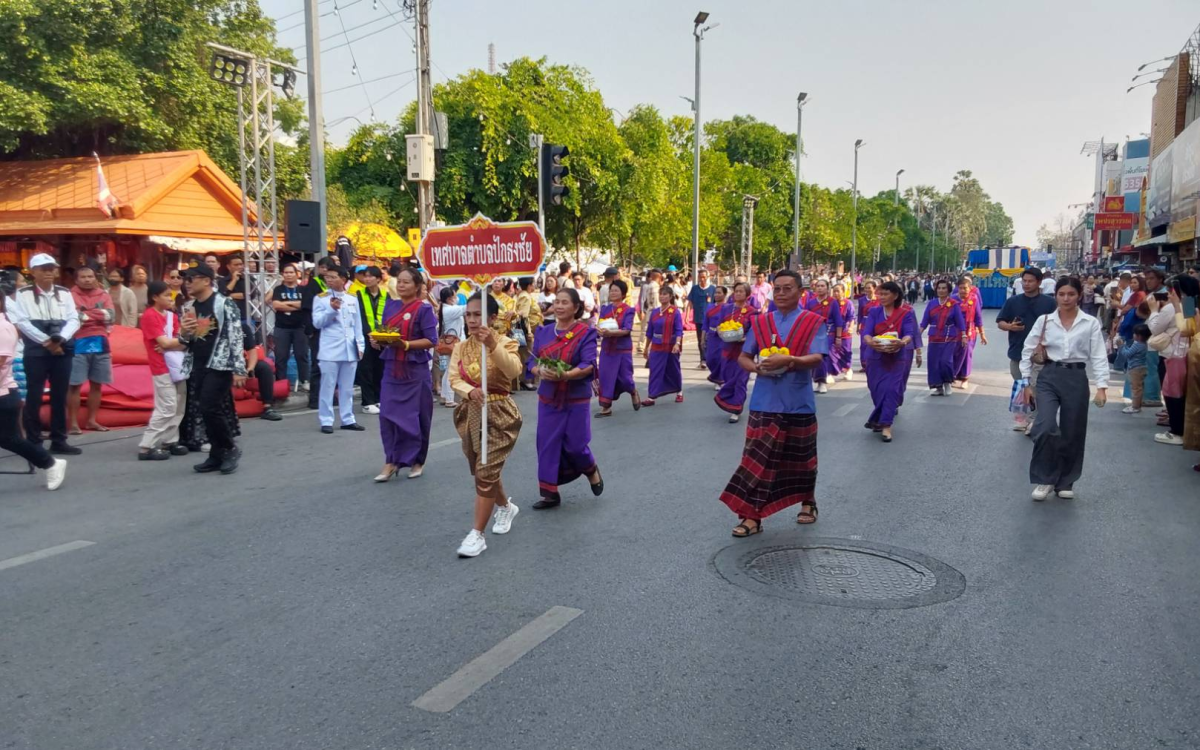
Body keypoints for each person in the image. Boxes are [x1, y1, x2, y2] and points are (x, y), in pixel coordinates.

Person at [719, 269, 826, 536]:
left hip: (798, 401)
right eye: (777, 288)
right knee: (756, 460)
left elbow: (817, 358)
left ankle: (808, 501)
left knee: (802, 459)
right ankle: (751, 516)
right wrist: (756, 368)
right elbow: (744, 356)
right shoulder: (761, 322)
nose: (780, 293)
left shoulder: (813, 321)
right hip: (764, 401)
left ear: (801, 292)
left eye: (787, 288)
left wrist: (791, 360)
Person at [450, 293, 525, 558]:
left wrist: (492, 344)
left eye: (478, 315)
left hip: (500, 412)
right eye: (468, 315)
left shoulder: (506, 342)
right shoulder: (461, 347)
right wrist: (469, 391)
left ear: (492, 318)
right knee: (482, 467)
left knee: (485, 470)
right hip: (471, 412)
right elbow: (454, 378)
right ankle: (505, 507)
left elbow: (514, 371)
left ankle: (477, 534)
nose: (472, 320)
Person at [1020, 277, 1109, 501]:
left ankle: (1066, 481)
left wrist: (1102, 386)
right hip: (1049, 376)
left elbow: (1099, 355)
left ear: (1079, 295)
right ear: (1056, 295)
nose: (1066, 299)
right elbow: (1027, 349)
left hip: (1076, 377)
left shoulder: (1089, 323)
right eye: (1061, 294)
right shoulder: (1045, 321)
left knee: (1073, 431)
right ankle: (1044, 479)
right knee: (1044, 426)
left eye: (1071, 294)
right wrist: (1025, 383)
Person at [532, 288, 602, 509]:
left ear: (576, 307)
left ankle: (590, 469)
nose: (559, 306)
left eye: (565, 302)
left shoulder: (585, 333)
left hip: (575, 397)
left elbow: (589, 364)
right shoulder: (543, 331)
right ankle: (550, 493)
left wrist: (567, 375)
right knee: (546, 443)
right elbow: (531, 361)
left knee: (576, 445)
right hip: (549, 397)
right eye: (557, 302)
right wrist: (539, 371)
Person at [8, 253, 82, 455]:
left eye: (51, 268)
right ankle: (33, 440)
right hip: (36, 349)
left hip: (62, 346)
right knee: (34, 395)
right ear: (34, 272)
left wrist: (61, 339)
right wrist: (47, 342)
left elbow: (73, 319)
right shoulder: (23, 294)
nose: (49, 272)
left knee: (60, 395)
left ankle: (59, 440)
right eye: (44, 269)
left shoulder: (64, 293)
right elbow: (23, 322)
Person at [178, 264, 247, 475]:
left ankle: (229, 447)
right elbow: (185, 341)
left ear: (206, 280)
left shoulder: (224, 303)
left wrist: (239, 368)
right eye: (185, 279)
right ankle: (216, 454)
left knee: (209, 406)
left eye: (191, 279)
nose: (187, 283)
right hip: (198, 363)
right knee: (205, 408)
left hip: (220, 363)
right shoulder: (189, 306)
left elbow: (236, 335)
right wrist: (183, 332)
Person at [375, 266, 437, 482]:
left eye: (406, 282)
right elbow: (386, 332)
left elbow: (431, 340)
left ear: (417, 286)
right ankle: (391, 461)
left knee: (418, 416)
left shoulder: (424, 309)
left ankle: (417, 460)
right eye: (399, 281)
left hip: (415, 370)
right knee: (387, 416)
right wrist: (379, 341)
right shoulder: (390, 306)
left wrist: (406, 345)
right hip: (392, 369)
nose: (401, 285)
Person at [0, 290, 67, 489]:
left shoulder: (3, 328)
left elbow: (1, 362)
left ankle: (50, 463)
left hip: (4, 395)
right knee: (8, 439)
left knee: (9, 439)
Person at [996, 267, 1057, 432]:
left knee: (1035, 386)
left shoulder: (1050, 303)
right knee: (1021, 384)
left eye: (1030, 281)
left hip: (1041, 354)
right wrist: (1010, 326)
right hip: (1017, 351)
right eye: (1024, 281)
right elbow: (1000, 322)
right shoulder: (1013, 301)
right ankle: (1022, 417)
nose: (1026, 284)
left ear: (1039, 282)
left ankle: (1034, 419)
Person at [862, 281, 922, 443]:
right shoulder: (874, 312)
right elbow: (867, 332)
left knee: (891, 390)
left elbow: (909, 333)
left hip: (897, 357)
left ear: (895, 296)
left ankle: (886, 425)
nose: (881, 297)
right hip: (875, 356)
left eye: (885, 294)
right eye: (880, 294)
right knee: (876, 390)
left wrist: (902, 342)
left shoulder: (906, 313)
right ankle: (880, 417)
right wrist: (870, 342)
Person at [137, 281, 189, 460]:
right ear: (154, 297)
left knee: (179, 405)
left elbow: (179, 342)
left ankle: (170, 440)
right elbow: (167, 342)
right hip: (161, 366)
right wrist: (176, 343)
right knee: (167, 406)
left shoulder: (172, 316)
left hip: (177, 365)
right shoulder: (149, 316)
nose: (170, 298)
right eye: (166, 295)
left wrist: (174, 344)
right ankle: (147, 446)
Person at [313, 266, 364, 434]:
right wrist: (331, 310)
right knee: (327, 386)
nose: (329, 280)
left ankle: (347, 418)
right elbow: (317, 323)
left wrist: (360, 345)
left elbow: (357, 325)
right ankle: (326, 420)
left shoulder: (352, 298)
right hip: (330, 349)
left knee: (347, 388)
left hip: (350, 348)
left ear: (343, 279)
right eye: (327, 277)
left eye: (333, 277)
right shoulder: (321, 299)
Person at [66, 265, 115, 435]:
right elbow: (74, 317)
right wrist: (98, 314)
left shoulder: (104, 294)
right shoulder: (69, 296)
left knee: (97, 385)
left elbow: (111, 316)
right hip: (77, 343)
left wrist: (86, 314)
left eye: (90, 276)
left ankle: (92, 421)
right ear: (76, 280)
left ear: (95, 278)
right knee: (74, 385)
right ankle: (73, 423)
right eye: (83, 277)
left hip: (101, 343)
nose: (87, 280)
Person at [1159, 276, 1200, 450]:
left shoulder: (1189, 302)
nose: (1169, 294)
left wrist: (1176, 305)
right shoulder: (1191, 301)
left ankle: (1183, 434)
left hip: (1190, 354)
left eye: (1171, 291)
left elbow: (1185, 329)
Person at [596, 279, 640, 417]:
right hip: (607, 349)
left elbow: (627, 330)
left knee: (626, 378)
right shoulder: (605, 309)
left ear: (623, 293)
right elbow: (599, 325)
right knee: (605, 377)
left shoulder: (628, 310)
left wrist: (611, 333)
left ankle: (633, 391)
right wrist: (599, 331)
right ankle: (606, 407)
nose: (613, 293)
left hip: (622, 349)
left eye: (616, 290)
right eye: (611, 290)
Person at [715, 283, 757, 422]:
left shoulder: (752, 311)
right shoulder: (726, 308)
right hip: (727, 349)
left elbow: (754, 331)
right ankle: (729, 401)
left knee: (740, 380)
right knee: (728, 377)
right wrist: (720, 331)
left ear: (747, 295)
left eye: (741, 291)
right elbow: (719, 325)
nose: (737, 293)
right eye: (736, 291)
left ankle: (736, 409)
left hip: (744, 351)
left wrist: (745, 338)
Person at [301, 256, 337, 409]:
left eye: (328, 268)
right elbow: (306, 308)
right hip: (318, 331)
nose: (325, 271)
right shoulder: (314, 284)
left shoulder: (336, 287)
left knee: (332, 365)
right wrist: (310, 330)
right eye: (322, 268)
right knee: (318, 364)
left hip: (333, 330)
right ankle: (315, 398)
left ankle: (330, 396)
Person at [920, 279, 967, 396]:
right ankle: (938, 387)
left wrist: (964, 335)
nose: (941, 290)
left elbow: (960, 321)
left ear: (948, 290)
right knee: (934, 363)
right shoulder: (931, 304)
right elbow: (925, 321)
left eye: (944, 288)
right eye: (939, 288)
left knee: (945, 361)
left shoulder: (954, 304)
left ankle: (947, 382)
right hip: (934, 337)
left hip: (949, 336)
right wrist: (917, 334)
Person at [641, 286, 684, 406]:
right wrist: (646, 348)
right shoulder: (655, 312)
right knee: (654, 370)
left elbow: (679, 330)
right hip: (656, 345)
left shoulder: (675, 312)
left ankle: (679, 391)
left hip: (671, 345)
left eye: (665, 294)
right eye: (660, 294)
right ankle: (651, 396)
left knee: (673, 369)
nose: (662, 296)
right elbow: (650, 331)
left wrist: (677, 343)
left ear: (670, 297)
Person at [269, 263, 308, 393]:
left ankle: (305, 381)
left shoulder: (303, 289)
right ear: (282, 274)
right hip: (282, 327)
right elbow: (276, 305)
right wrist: (296, 306)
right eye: (286, 272)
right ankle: (281, 382)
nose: (288, 275)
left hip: (300, 327)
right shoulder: (278, 289)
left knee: (301, 355)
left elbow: (305, 305)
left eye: (291, 272)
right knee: (281, 356)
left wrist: (287, 303)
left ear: (297, 274)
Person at [354, 266, 389, 415]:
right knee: (366, 369)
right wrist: (370, 335)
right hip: (364, 337)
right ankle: (367, 402)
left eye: (370, 276)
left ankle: (378, 398)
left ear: (378, 279)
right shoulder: (358, 294)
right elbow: (360, 317)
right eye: (365, 276)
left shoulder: (386, 295)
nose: (367, 279)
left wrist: (381, 336)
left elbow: (387, 316)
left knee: (380, 368)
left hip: (381, 337)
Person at [804, 279, 843, 393]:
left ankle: (822, 382)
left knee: (823, 356)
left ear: (827, 288)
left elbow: (838, 320)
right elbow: (805, 319)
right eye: (818, 286)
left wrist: (838, 337)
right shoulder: (810, 303)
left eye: (822, 286)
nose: (820, 288)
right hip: (813, 334)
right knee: (813, 356)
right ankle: (816, 380)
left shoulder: (833, 302)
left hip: (828, 333)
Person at [952, 278, 987, 388]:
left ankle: (964, 378)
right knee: (954, 353)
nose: (963, 290)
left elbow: (978, 317)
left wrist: (982, 334)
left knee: (967, 354)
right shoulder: (952, 299)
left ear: (970, 288)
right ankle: (953, 375)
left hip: (970, 331)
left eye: (965, 288)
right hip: (955, 331)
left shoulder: (974, 299)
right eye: (960, 288)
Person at [435, 286, 466, 407]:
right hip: (453, 343)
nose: (457, 298)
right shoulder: (450, 310)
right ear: (449, 299)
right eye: (455, 296)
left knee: (449, 369)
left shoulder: (446, 308)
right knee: (452, 370)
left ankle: (444, 396)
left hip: (451, 342)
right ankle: (449, 398)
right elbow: (466, 308)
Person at [1115, 324, 1150, 414]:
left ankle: (1135, 407)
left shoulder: (1137, 345)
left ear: (1139, 336)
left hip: (1135, 369)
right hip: (1141, 368)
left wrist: (1121, 346)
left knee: (1136, 389)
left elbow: (1127, 354)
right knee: (1139, 388)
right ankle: (1137, 405)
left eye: (1135, 333)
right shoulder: (1143, 344)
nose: (1133, 335)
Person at [686, 269, 716, 370]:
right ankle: (702, 360)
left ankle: (710, 359)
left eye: (704, 277)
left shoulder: (712, 289)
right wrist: (687, 315)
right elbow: (690, 303)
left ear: (708, 277)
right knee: (700, 340)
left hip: (710, 319)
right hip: (698, 318)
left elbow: (717, 303)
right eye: (700, 277)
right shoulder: (695, 289)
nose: (702, 279)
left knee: (709, 339)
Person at [704, 286, 728, 389]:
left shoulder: (728, 307)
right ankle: (716, 377)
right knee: (709, 360)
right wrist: (702, 337)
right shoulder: (710, 307)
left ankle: (720, 380)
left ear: (724, 294)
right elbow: (705, 323)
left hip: (722, 337)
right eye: (716, 293)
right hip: (711, 336)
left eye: (719, 293)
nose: (717, 295)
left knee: (720, 359)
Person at [833, 284, 855, 381]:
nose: (835, 293)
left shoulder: (848, 303)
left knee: (846, 351)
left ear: (843, 292)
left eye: (838, 291)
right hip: (833, 330)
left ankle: (848, 369)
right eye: (834, 291)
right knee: (832, 352)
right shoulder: (831, 303)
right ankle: (830, 372)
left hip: (845, 330)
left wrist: (851, 327)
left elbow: (851, 317)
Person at [221, 255, 249, 321]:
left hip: (246, 316)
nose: (239, 267)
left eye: (241, 264)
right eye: (236, 265)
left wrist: (230, 295)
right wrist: (234, 280)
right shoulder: (222, 281)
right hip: (229, 317)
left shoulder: (248, 279)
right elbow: (223, 295)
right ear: (228, 267)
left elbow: (250, 295)